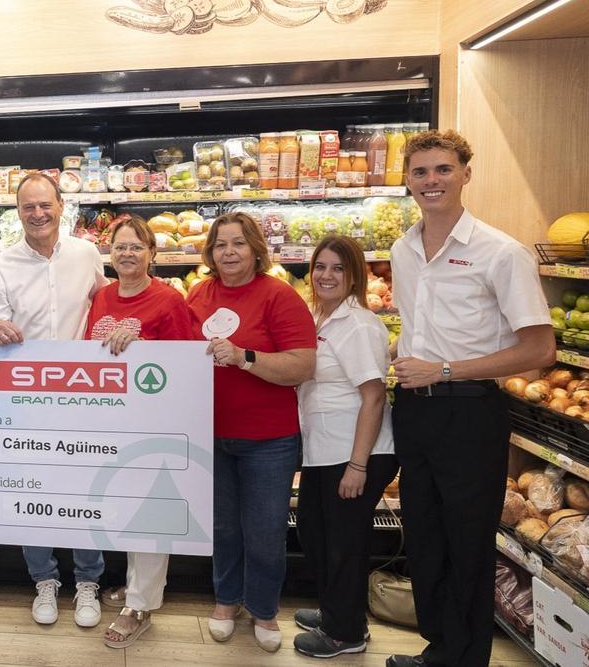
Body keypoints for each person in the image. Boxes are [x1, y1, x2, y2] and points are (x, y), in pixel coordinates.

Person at [385, 130, 554, 667]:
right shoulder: (402, 249)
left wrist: (447, 366)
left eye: (443, 170)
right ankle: (440, 648)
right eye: (420, 172)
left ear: (465, 174)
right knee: (426, 535)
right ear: (407, 179)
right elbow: (424, 326)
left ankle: (466, 657)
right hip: (414, 408)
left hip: (470, 411)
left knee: (468, 540)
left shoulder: (500, 253)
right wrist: (400, 347)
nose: (431, 181)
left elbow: (539, 349)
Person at [184, 211, 316, 653]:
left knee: (264, 529)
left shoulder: (280, 296)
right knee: (222, 526)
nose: (229, 252)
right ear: (211, 252)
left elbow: (302, 364)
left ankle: (263, 607)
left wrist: (246, 358)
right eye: (221, 244)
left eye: (238, 243)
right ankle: (226, 601)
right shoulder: (199, 294)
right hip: (210, 433)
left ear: (256, 249)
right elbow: (178, 351)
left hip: (269, 439)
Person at [0, 172, 107, 628]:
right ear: (18, 212)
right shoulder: (1, 265)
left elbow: (106, 303)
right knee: (32, 489)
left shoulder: (87, 254)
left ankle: (89, 580)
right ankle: (44, 579)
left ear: (61, 206)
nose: (38, 214)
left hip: (83, 395)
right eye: (28, 207)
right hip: (26, 398)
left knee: (85, 488)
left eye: (45, 205)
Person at [84, 216, 193, 648]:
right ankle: (134, 589)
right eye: (120, 247)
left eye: (136, 247)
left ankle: (141, 606)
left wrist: (144, 348)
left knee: (149, 510)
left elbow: (187, 366)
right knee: (123, 508)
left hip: (154, 421)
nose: (127, 254)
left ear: (152, 253)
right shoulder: (103, 296)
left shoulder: (168, 300)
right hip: (111, 419)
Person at [292, 235, 397, 659]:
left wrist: (358, 466)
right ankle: (339, 611)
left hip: (356, 452)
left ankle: (345, 634)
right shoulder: (322, 319)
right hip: (326, 451)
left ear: (354, 275)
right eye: (320, 267)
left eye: (338, 268)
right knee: (317, 536)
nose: (327, 276)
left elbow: (373, 397)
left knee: (342, 544)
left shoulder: (357, 324)